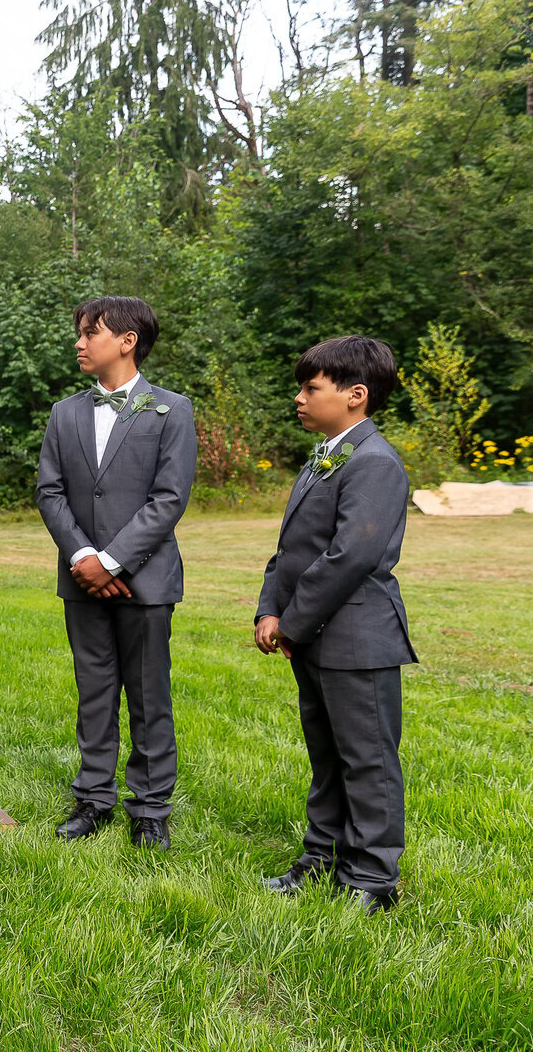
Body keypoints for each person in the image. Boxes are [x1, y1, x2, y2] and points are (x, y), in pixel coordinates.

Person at [255, 336, 415, 915]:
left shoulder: (374, 462)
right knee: (327, 756)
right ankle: (321, 857)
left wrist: (291, 624)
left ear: (355, 396)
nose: (298, 398)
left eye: (310, 388)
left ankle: (372, 878)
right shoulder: (325, 454)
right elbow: (291, 550)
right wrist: (268, 609)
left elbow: (350, 557)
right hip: (316, 636)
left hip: (356, 638)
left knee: (367, 759)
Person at [35, 297, 196, 851]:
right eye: (79, 333)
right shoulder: (64, 414)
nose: (79, 343)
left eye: (90, 333)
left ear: (127, 341)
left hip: (145, 581)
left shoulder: (172, 411)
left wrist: (111, 561)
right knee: (94, 691)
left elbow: (169, 498)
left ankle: (150, 807)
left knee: (150, 694)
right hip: (80, 580)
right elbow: (49, 492)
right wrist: (82, 557)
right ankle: (93, 799)